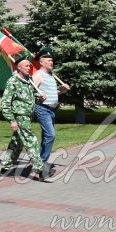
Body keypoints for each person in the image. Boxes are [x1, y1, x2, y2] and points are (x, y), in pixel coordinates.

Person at [0, 56, 47, 181]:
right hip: (19, 116)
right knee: (32, 140)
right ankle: (41, 170)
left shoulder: (28, 80)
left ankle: (5, 166)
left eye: (29, 66)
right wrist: (12, 120)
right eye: (26, 66)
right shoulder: (13, 81)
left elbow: (29, 96)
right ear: (19, 67)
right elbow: (5, 104)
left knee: (17, 143)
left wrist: (39, 96)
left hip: (27, 116)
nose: (29, 67)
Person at [31, 47, 69, 179]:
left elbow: (52, 93)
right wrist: (38, 96)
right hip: (43, 109)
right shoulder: (38, 75)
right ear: (41, 62)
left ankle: (42, 169)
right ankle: (40, 164)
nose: (51, 63)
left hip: (52, 110)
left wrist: (62, 91)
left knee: (46, 137)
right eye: (49, 60)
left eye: (52, 61)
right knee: (50, 135)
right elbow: (30, 92)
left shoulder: (51, 76)